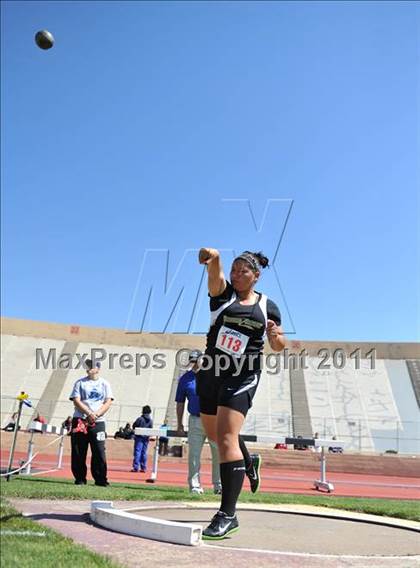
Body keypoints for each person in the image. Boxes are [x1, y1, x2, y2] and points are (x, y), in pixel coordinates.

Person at [196, 248, 286, 539]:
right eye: (233, 270)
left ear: (256, 276)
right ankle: (247, 461)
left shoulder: (268, 306)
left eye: (242, 271)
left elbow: (280, 345)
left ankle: (227, 514)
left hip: (243, 374)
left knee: (225, 438)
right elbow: (215, 276)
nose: (236, 275)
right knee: (215, 435)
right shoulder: (223, 296)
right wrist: (215, 258)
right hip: (211, 371)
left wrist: (275, 337)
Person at [175, 350, 222, 495]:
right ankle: (194, 486)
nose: (195, 364)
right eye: (192, 361)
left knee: (218, 454)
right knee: (194, 455)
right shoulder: (185, 379)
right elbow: (180, 403)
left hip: (213, 419)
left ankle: (218, 485)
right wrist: (179, 424)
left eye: (197, 360)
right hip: (195, 420)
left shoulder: (213, 375)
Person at [69, 359, 113, 486]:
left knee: (99, 451)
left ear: (98, 369)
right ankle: (80, 478)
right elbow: (76, 400)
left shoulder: (105, 384)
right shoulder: (80, 383)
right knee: (78, 451)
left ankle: (100, 479)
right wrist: (88, 413)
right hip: (80, 420)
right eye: (88, 366)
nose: (89, 368)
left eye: (92, 366)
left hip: (98, 422)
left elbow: (108, 401)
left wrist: (96, 414)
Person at [131, 405, 153, 472]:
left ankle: (136, 467)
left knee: (137, 452)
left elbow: (134, 426)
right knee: (144, 452)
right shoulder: (150, 420)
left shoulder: (140, 419)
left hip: (139, 437)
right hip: (146, 437)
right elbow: (151, 428)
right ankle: (143, 467)